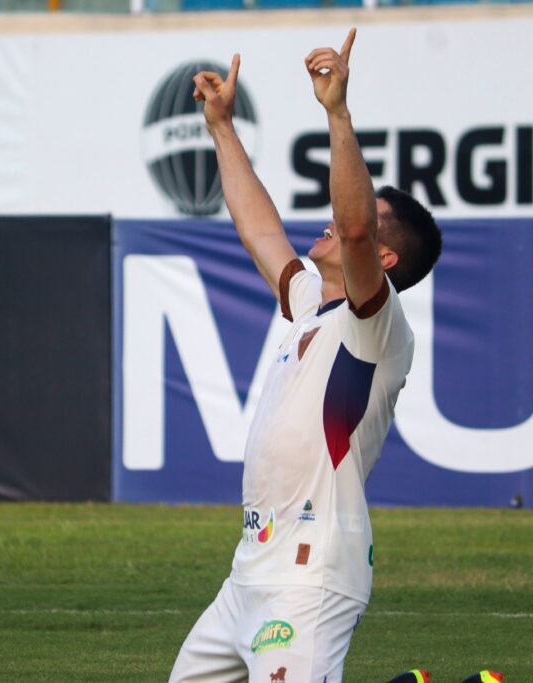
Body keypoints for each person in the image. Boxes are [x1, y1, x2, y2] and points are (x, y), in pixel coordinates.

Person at [170, 28, 442, 683]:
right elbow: (259, 229)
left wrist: (337, 114)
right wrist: (222, 128)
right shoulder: (306, 305)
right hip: (248, 572)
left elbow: (350, 226)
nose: (334, 223)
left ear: (382, 258)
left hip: (310, 573)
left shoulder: (373, 324)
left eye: (368, 223)